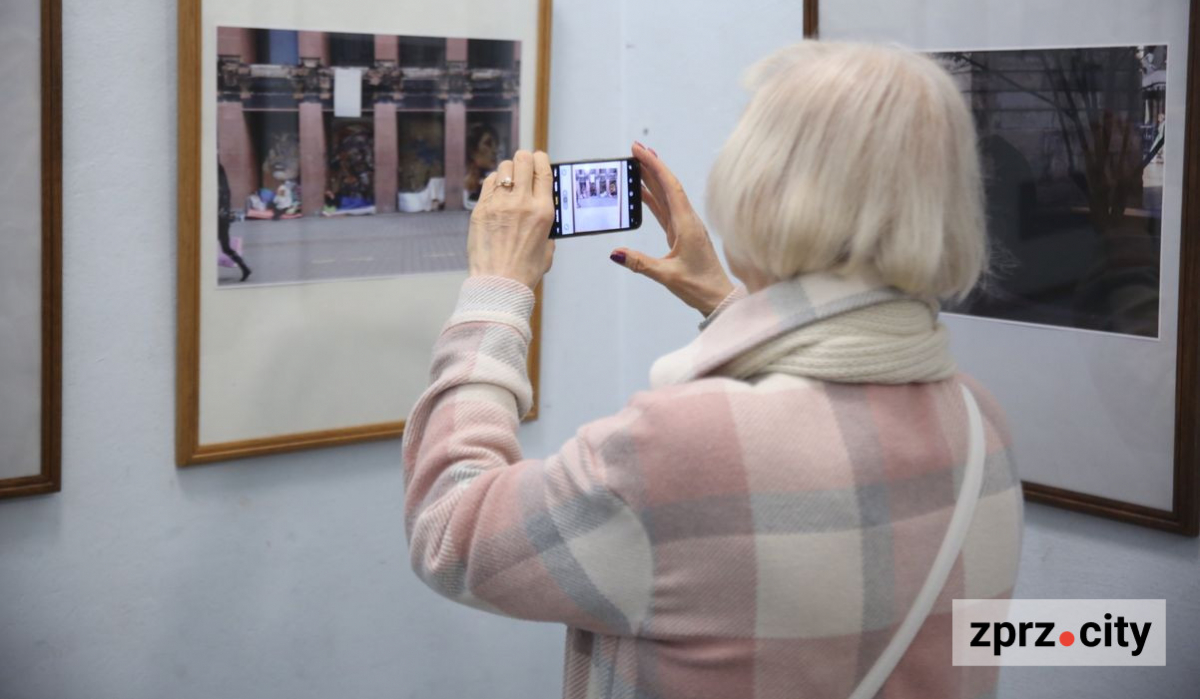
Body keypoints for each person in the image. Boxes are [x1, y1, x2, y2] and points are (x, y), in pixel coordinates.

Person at [402, 41, 1023, 699]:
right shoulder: (981, 422)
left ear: (759, 185)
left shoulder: (680, 446)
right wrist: (731, 302)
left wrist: (496, 290)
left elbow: (453, 532)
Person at [217, 163, 251, 282]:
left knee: (212, 246)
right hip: (222, 219)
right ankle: (245, 268)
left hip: (219, 219)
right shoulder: (224, 187)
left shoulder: (220, 188)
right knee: (225, 248)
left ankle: (245, 268)